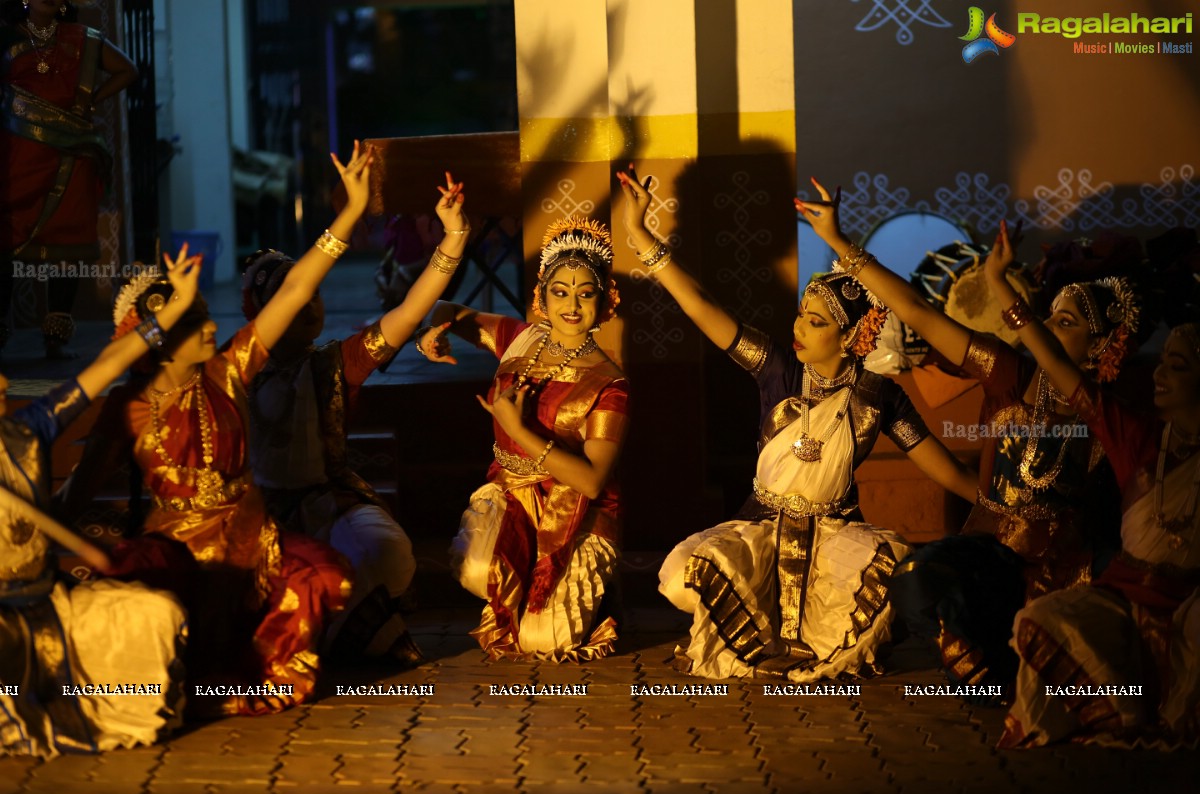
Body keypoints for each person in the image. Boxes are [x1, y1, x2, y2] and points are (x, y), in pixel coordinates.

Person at [622, 167, 978, 682]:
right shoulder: (776, 367)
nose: (799, 327)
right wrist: (641, 236)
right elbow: (703, 307)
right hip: (762, 525)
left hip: (835, 534)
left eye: (816, 321)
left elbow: (940, 467)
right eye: (801, 314)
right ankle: (763, 632)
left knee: (895, 579)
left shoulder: (878, 396)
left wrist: (997, 509)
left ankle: (805, 637)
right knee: (682, 578)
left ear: (853, 335)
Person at [59, 143, 374, 716]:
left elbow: (297, 288)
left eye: (205, 314)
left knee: (326, 575)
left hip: (251, 531)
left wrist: (349, 214)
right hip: (176, 544)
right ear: (157, 340)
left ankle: (256, 679)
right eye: (194, 320)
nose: (212, 326)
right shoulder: (126, 406)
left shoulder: (230, 369)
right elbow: (80, 493)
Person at [798, 183, 1136, 694]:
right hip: (991, 559)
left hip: (1069, 572)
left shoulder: (1111, 415)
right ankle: (986, 662)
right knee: (917, 580)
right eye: (1046, 315)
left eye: (1064, 322)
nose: (1044, 326)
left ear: (1100, 347)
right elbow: (918, 311)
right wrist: (838, 241)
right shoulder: (1009, 374)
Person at [240, 171, 469, 665]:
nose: (307, 304)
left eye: (312, 296)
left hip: (329, 501)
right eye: (290, 298)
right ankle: (355, 635)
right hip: (252, 513)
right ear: (259, 311)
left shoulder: (332, 363)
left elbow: (408, 313)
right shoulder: (232, 368)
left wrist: (455, 235)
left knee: (386, 554)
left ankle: (324, 634)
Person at [985, 235, 1198, 746]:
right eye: (1162, 361)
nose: (1161, 374)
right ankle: (1121, 713)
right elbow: (1057, 366)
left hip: (1189, 605)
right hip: (1123, 597)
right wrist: (996, 285)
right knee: (1038, 620)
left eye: (1179, 365)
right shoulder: (1138, 435)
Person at [1, 247, 199, 758]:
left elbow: (107, 364)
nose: (3, 381)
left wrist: (171, 315)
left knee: (154, 612)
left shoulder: (32, 427)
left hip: (49, 604)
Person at [416, 215, 628, 662]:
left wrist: (516, 429)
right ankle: (523, 574)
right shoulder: (519, 338)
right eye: (560, 292)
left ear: (604, 300)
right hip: (510, 491)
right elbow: (449, 310)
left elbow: (591, 483)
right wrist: (432, 335)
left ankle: (599, 597)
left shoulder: (610, 384)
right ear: (542, 298)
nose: (571, 305)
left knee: (543, 641)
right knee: (477, 569)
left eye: (585, 294)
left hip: (575, 510)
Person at [0, 0, 138, 358]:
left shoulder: (84, 39)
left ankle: (55, 339)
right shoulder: (4, 38)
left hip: (71, 155)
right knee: (7, 238)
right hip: (18, 157)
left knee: (66, 246)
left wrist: (89, 100)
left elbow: (128, 70)